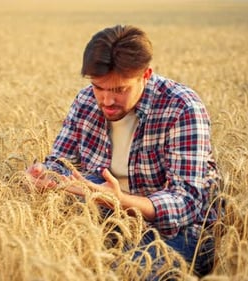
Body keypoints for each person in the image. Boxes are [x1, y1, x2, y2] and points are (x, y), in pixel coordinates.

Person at [26, 25, 220, 277]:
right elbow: (61, 162)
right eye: (99, 87)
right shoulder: (85, 100)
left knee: (123, 274)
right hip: (107, 213)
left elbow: (188, 202)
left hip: (176, 232)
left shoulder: (182, 107)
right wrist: (44, 175)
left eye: (119, 90)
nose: (106, 101)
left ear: (146, 75)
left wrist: (120, 200)